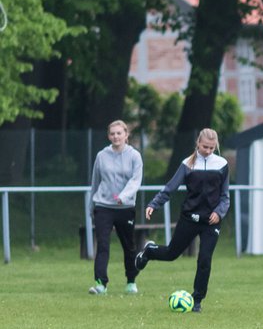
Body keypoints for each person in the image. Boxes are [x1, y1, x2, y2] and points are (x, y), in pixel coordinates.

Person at [134, 128, 230, 314]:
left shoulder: (222, 164)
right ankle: (149, 251)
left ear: (216, 146)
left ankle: (197, 300)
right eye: (204, 147)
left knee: (204, 259)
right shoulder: (187, 164)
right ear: (198, 144)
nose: (208, 151)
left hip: (211, 222)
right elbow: (170, 188)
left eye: (211, 148)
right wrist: (154, 204)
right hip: (190, 218)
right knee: (171, 254)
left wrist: (219, 212)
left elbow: (225, 197)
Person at [88, 120, 144, 295]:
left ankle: (131, 281)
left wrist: (123, 196)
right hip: (103, 206)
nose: (116, 136)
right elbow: (95, 181)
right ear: (108, 136)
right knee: (103, 245)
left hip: (125, 207)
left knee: (129, 246)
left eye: (119, 133)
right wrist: (92, 206)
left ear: (126, 135)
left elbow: (135, 181)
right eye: (112, 133)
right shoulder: (101, 156)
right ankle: (101, 284)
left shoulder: (135, 156)